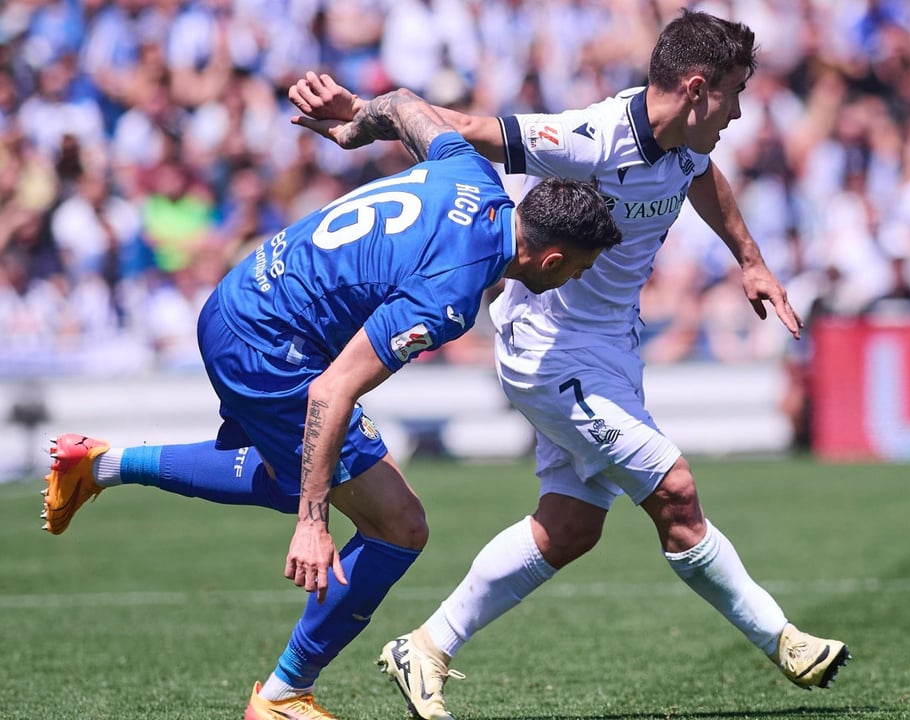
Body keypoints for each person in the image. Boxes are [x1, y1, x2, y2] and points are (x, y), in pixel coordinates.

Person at [290, 11, 850, 720]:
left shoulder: (686, 141)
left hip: (611, 348)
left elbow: (701, 178)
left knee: (571, 527)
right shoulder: (593, 137)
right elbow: (466, 129)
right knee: (674, 493)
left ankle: (426, 646)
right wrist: (360, 119)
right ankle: (784, 640)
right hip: (549, 349)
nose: (740, 113)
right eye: (736, 95)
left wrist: (751, 260)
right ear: (699, 88)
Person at [39, 88, 621, 720]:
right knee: (397, 524)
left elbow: (401, 105)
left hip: (241, 297)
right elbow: (332, 389)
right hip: (269, 346)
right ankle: (283, 696)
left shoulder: (470, 173)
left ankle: (98, 464)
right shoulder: (452, 292)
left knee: (304, 473)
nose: (575, 282)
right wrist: (313, 524)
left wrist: (355, 120)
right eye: (578, 270)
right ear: (552, 255)